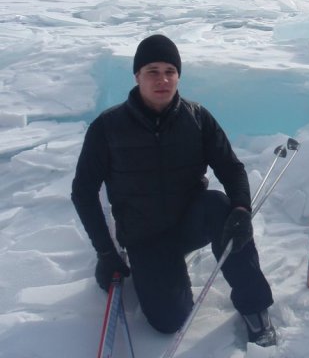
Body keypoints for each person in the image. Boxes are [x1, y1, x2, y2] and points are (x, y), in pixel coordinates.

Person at [71, 34, 276, 346]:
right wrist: (105, 252)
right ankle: (163, 275)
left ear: (178, 75)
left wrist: (241, 209)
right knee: (169, 321)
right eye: (152, 71)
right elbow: (83, 192)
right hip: (145, 235)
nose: (163, 79)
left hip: (189, 222)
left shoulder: (196, 118)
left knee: (220, 205)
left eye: (170, 71)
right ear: (137, 76)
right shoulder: (108, 127)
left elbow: (231, 168)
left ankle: (255, 308)